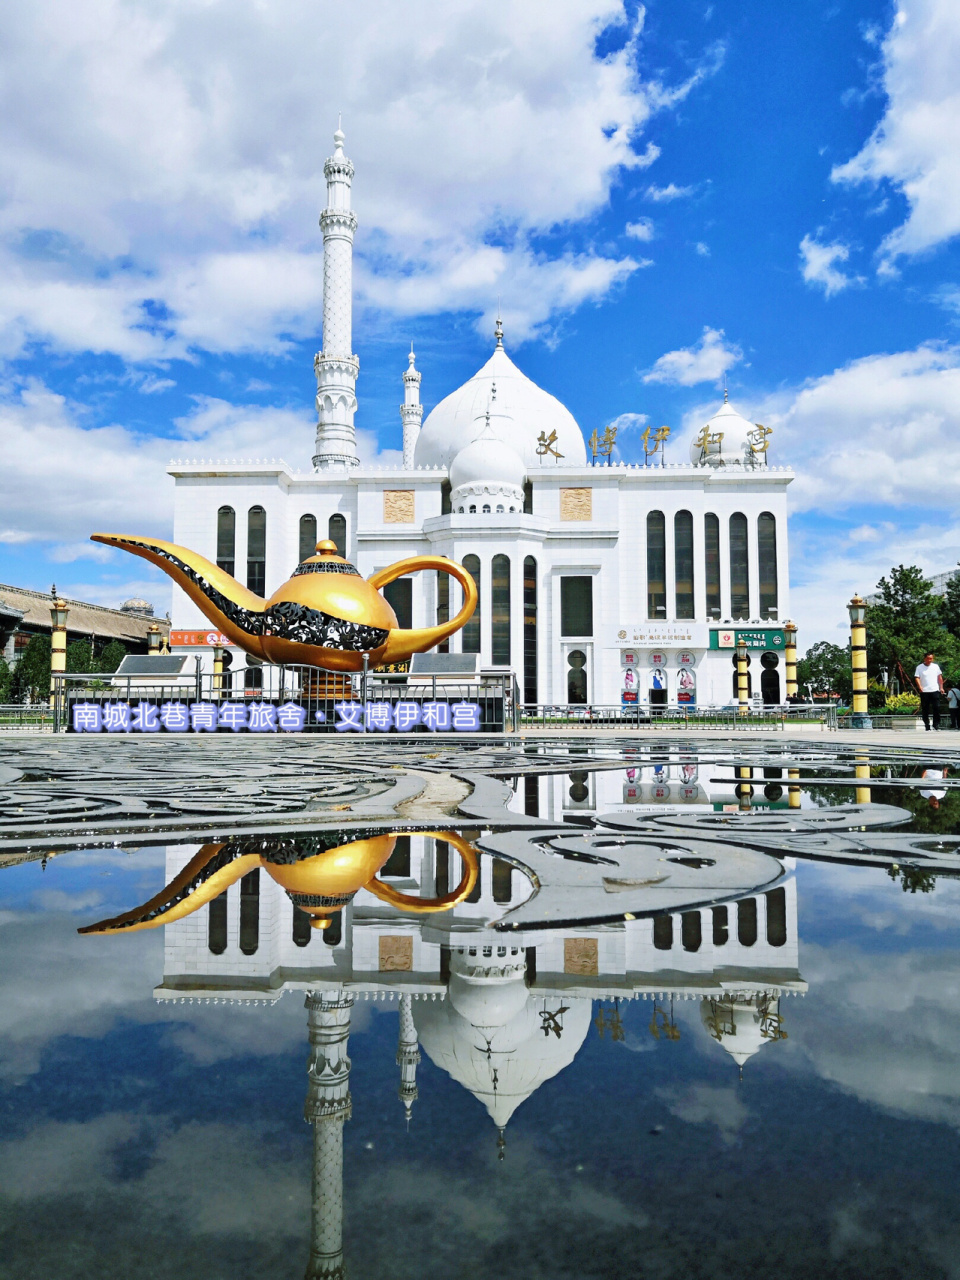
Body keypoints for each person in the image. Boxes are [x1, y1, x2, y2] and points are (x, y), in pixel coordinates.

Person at [914, 653, 945, 730]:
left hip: (934, 690)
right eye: (928, 658)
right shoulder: (919, 667)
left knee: (936, 707)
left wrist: (941, 687)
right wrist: (920, 686)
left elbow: (940, 677)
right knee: (925, 709)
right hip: (924, 691)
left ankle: (936, 724)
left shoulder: (935, 666)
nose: (929, 660)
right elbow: (917, 677)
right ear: (924, 658)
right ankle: (927, 725)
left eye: (931, 658)